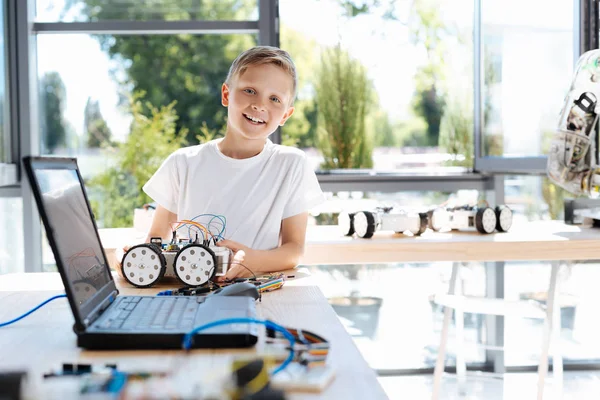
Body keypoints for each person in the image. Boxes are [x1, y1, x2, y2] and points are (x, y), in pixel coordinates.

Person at [133, 46, 325, 281]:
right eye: (249, 91)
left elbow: (294, 249)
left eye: (275, 99)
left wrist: (252, 261)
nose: (259, 105)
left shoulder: (292, 165)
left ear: (286, 114)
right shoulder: (182, 163)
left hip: (255, 291)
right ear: (226, 94)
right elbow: (157, 237)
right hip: (186, 293)